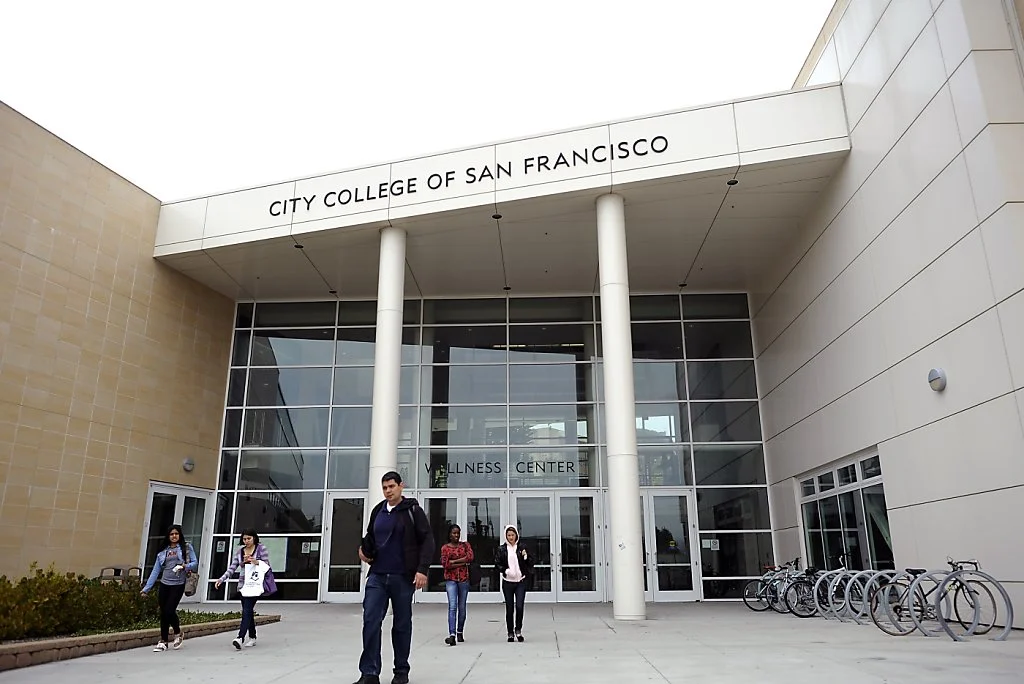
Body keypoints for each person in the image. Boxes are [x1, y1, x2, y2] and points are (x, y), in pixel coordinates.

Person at [353, 471, 433, 684]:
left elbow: (427, 540)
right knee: (371, 620)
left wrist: (422, 569)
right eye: (385, 488)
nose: (388, 491)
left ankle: (401, 672)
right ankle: (369, 673)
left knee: (401, 625)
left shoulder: (412, 510)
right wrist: (363, 551)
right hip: (377, 576)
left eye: (391, 486)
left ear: (400, 486)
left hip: (402, 577)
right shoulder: (378, 510)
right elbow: (370, 537)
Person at [141, 524, 198, 652]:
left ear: (180, 535)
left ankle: (177, 632)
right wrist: (146, 589)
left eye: (176, 534)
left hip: (178, 584)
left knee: (169, 610)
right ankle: (163, 641)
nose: (174, 536)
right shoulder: (163, 551)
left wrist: (185, 566)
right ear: (168, 536)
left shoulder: (186, 547)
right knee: (164, 613)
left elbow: (195, 563)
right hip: (165, 584)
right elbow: (156, 571)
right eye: (171, 534)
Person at [215, 528, 271, 649]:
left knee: (247, 610)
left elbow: (267, 565)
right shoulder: (240, 551)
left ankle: (240, 638)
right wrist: (221, 579)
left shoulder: (261, 549)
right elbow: (232, 568)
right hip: (243, 586)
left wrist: (254, 561)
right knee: (248, 611)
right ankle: (253, 636)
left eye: (249, 538)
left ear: (254, 538)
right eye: (244, 539)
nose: (246, 541)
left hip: (255, 584)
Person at [494, 525, 533, 643]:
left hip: (520, 581)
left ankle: (518, 630)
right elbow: (497, 564)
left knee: (519, 607)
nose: (511, 537)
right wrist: (506, 571)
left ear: (516, 535)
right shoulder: (502, 549)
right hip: (508, 583)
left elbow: (531, 562)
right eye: (509, 535)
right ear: (506, 536)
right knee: (509, 608)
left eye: (513, 535)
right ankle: (510, 632)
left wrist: (526, 557)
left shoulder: (522, 547)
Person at [439, 524, 474, 645]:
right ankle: (452, 634)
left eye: (458, 533)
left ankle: (460, 631)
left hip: (463, 579)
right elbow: (446, 564)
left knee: (462, 607)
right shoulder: (445, 548)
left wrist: (454, 561)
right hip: (451, 579)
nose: (456, 535)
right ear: (449, 534)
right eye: (454, 533)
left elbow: (470, 557)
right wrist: (462, 562)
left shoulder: (465, 545)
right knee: (452, 606)